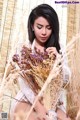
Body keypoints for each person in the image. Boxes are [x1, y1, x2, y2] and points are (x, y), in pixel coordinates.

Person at [10, 4, 71, 120]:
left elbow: (66, 81)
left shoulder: (59, 48)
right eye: (39, 27)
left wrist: (59, 61)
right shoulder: (24, 48)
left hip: (53, 101)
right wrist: (38, 106)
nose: (44, 32)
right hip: (28, 98)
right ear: (32, 26)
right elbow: (24, 84)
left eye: (49, 27)